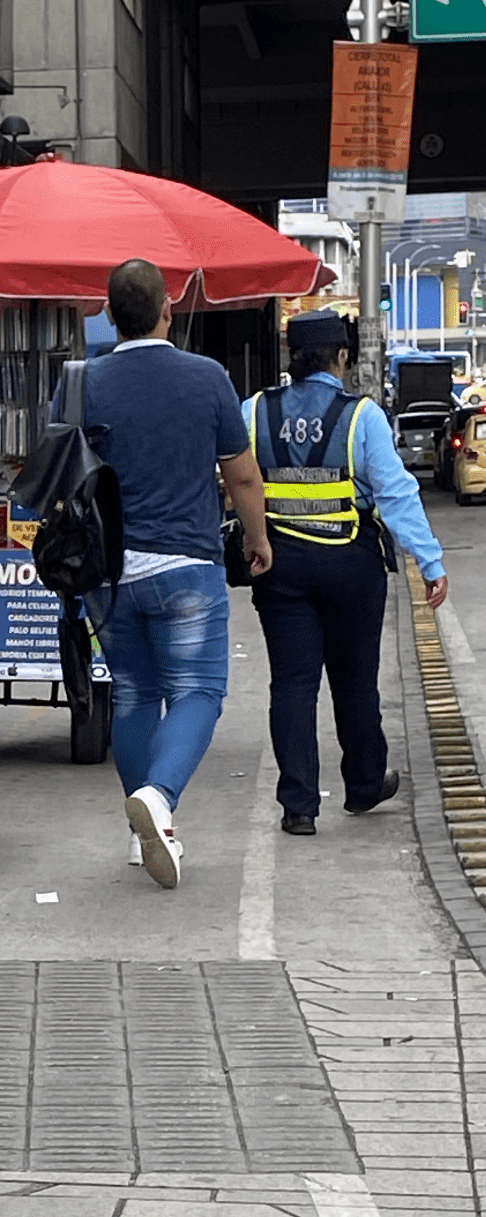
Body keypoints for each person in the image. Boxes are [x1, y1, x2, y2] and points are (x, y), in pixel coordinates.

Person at [74, 258, 272, 890]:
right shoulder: (207, 377)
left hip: (108, 574)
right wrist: (259, 539)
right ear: (168, 308)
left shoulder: (80, 382)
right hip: (187, 565)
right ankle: (158, 801)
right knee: (198, 693)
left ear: (108, 314)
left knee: (132, 693)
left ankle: (143, 836)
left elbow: (54, 477)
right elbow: (240, 474)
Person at [244, 310, 447, 836]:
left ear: (293, 358)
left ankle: (298, 807)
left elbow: (233, 478)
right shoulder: (361, 417)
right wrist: (429, 561)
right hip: (350, 565)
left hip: (278, 564)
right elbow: (397, 493)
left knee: (292, 683)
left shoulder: (254, 411)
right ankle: (362, 786)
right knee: (355, 681)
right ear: (341, 358)